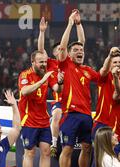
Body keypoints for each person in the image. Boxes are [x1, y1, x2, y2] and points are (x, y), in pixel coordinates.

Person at [57, 10, 101, 167]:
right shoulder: (65, 65)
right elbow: (63, 46)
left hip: (86, 115)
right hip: (69, 114)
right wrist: (70, 24)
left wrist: (79, 24)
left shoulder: (88, 70)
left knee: (87, 148)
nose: (80, 52)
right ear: (69, 54)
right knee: (66, 148)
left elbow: (103, 79)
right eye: (75, 50)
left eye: (81, 51)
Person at [37, 14, 85, 157]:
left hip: (76, 101)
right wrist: (42, 32)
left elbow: (81, 42)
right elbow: (40, 50)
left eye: (62, 48)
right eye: (58, 49)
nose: (61, 50)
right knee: (57, 113)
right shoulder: (50, 63)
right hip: (60, 100)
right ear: (53, 53)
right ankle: (53, 142)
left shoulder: (71, 62)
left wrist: (78, 24)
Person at [18, 50, 63, 167]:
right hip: (28, 119)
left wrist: (60, 82)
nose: (44, 64)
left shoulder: (47, 74)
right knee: (29, 152)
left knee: (46, 152)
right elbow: (25, 91)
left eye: (45, 62)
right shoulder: (25, 75)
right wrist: (43, 80)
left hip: (43, 120)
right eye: (41, 62)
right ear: (33, 62)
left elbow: (57, 88)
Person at [92, 47, 120, 167]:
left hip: (115, 126)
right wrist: (109, 55)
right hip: (101, 122)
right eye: (115, 61)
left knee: (115, 156)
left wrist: (117, 77)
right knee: (98, 154)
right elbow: (104, 69)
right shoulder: (104, 77)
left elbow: (118, 95)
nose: (117, 64)